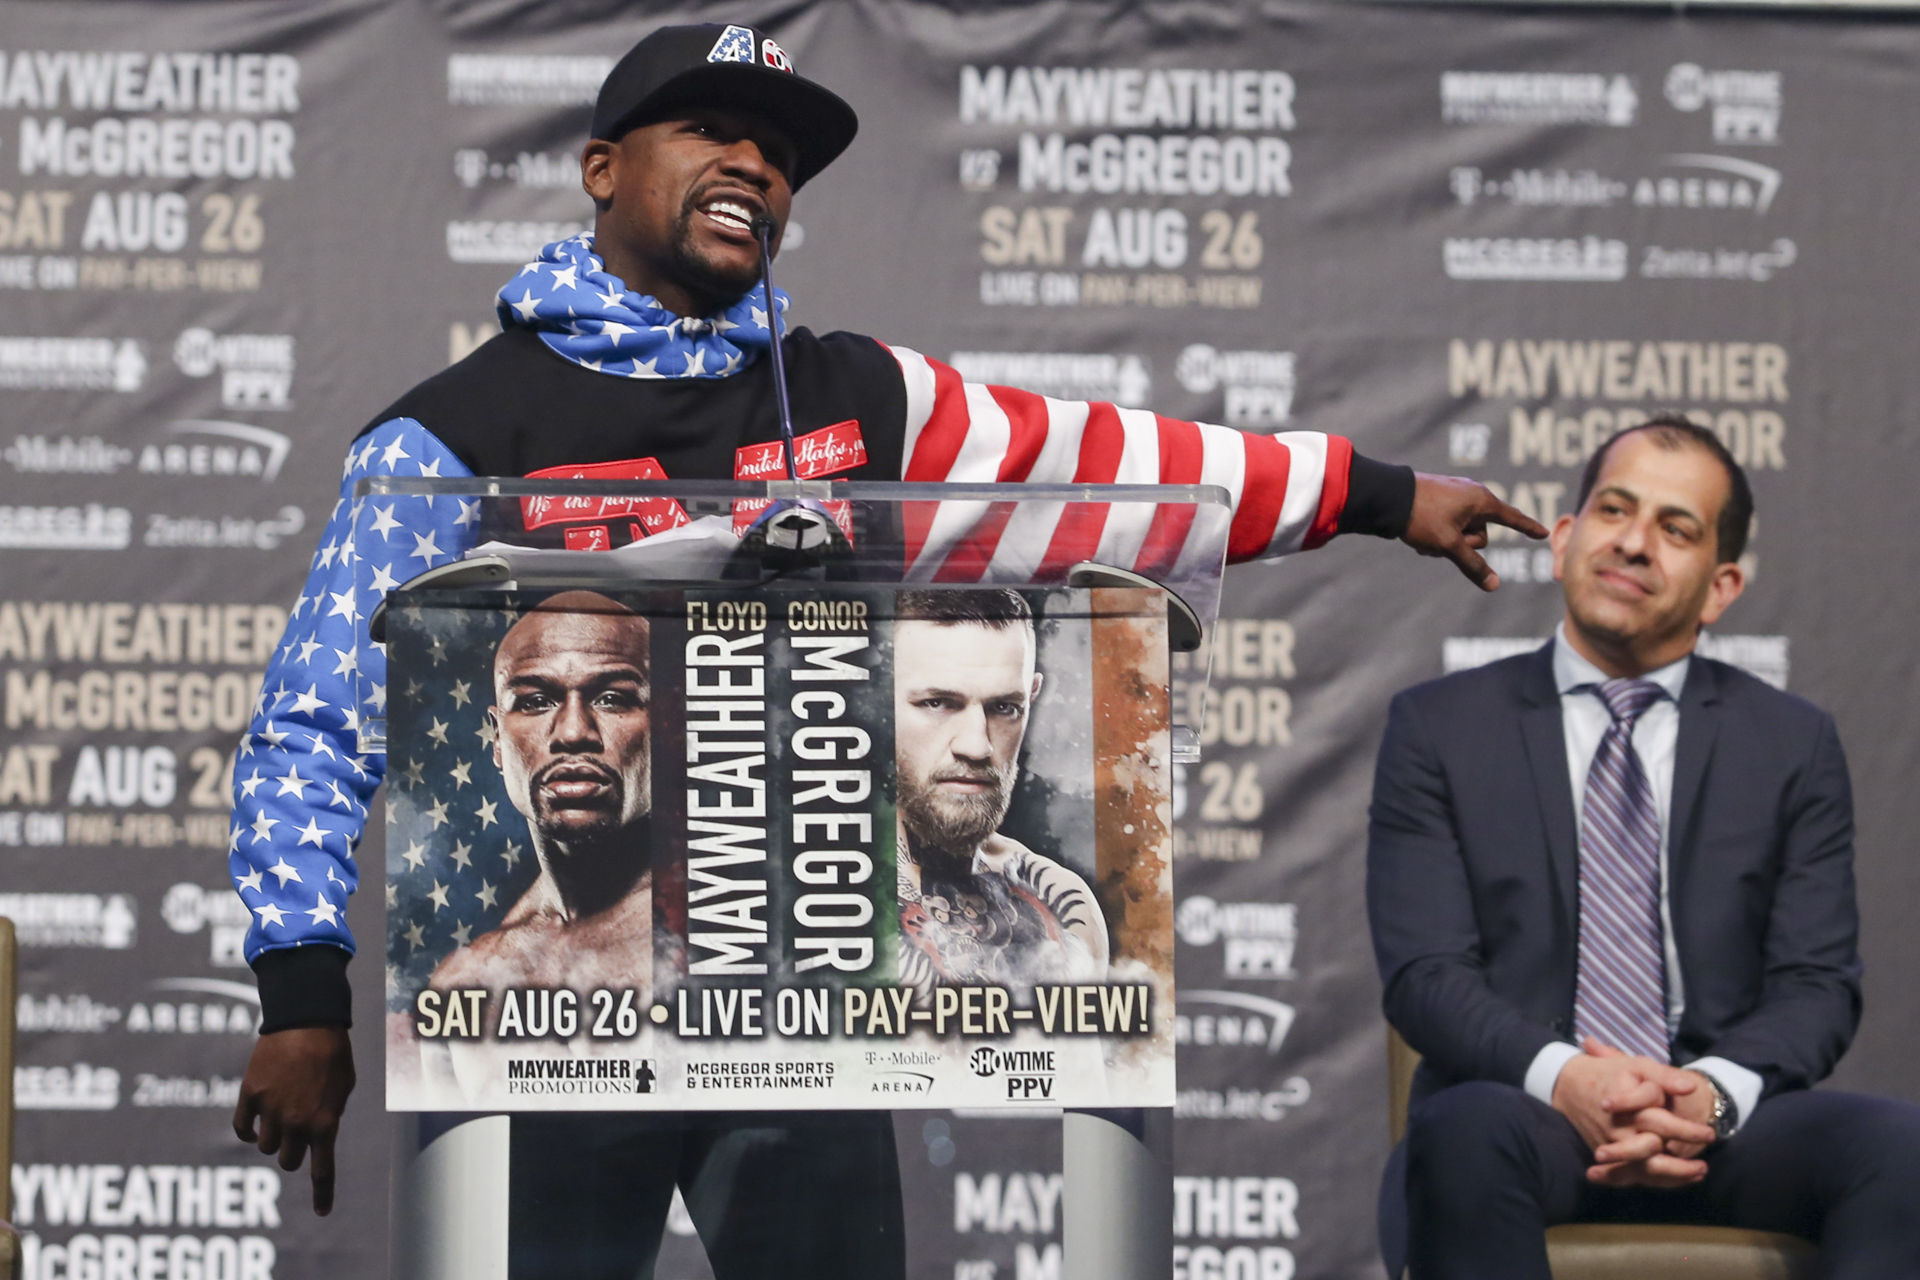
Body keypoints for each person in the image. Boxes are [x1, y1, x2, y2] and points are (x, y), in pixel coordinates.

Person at [227, 16, 1543, 1269]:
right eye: (710, 130)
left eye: (779, 154)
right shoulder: (450, 438)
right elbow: (316, 722)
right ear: (602, 168)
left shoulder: (856, 402)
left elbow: (1108, 468)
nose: (755, 165)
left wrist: (1379, 495)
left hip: (806, 1014)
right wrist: (300, 991)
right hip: (545, 1021)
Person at [1366, 415, 1920, 1279]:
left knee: (1899, 1150)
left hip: (1720, 1127)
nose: (1633, 542)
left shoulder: (1791, 743)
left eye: (1676, 528)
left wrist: (1709, 1094)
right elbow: (1426, 976)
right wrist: (1570, 1080)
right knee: (1463, 1132)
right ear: (1563, 540)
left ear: (1722, 586)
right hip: (1523, 1113)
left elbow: (1817, 984)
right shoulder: (1439, 728)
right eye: (1615, 510)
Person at [418, 592, 655, 1094]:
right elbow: (457, 1143)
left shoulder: (732, 941)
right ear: (496, 740)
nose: (572, 732)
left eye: (613, 698)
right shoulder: (463, 983)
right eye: (534, 701)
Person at [892, 589, 1106, 999]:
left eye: (1004, 707)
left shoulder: (1063, 903)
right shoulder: (816, 895)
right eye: (937, 703)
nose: (977, 746)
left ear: (1032, 696)